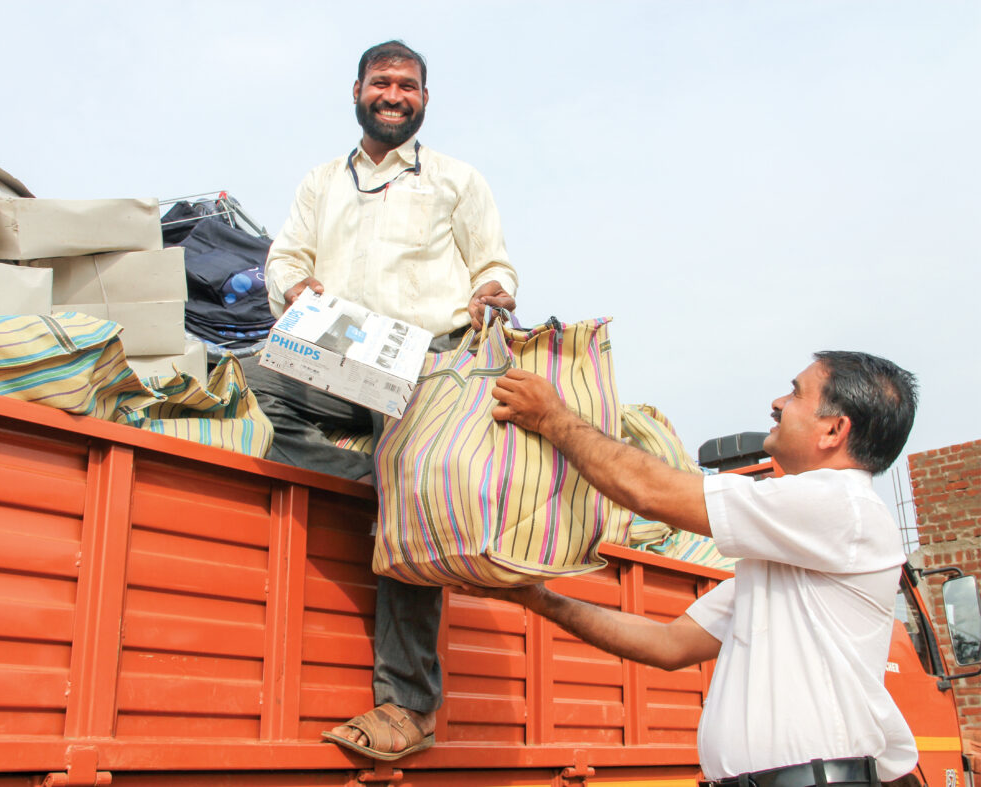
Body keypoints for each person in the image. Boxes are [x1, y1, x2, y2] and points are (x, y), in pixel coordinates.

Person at [241, 40, 518, 760]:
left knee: (410, 516)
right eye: (382, 82)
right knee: (246, 382)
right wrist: (295, 288)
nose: (395, 94)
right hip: (339, 346)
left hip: (423, 357)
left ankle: (408, 705)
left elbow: (492, 262)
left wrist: (494, 290)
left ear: (425, 100)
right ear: (358, 89)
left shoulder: (456, 180)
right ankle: (387, 488)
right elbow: (287, 257)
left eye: (409, 85)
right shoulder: (323, 181)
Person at [471, 351, 920, 786]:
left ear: (833, 430)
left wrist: (552, 417)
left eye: (795, 393)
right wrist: (533, 596)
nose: (778, 403)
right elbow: (669, 644)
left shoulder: (841, 504)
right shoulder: (785, 562)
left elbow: (649, 491)